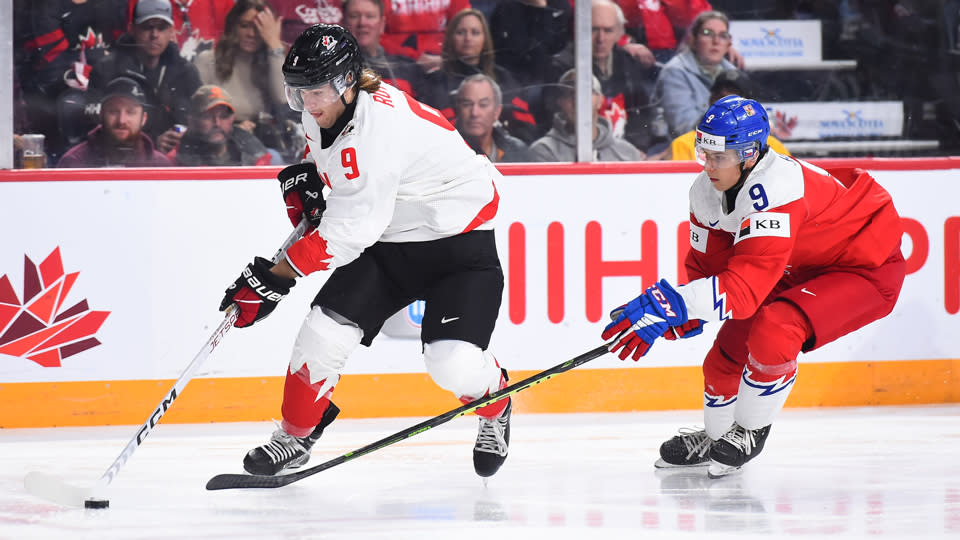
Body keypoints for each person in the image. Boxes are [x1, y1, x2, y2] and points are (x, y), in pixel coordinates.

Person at [219, 24, 513, 479]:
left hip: (459, 246)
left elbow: (349, 233)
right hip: (394, 242)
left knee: (451, 364)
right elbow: (332, 168)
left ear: (347, 81)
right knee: (322, 332)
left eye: (316, 92)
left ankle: (496, 404)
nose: (308, 104)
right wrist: (314, 179)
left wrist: (276, 279)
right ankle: (296, 435)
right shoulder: (330, 109)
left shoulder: (374, 131)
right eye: (300, 93)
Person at [600, 96, 905, 478]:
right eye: (703, 153)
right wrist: (686, 312)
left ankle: (749, 430)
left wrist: (673, 302)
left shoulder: (777, 188)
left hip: (864, 269)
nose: (708, 166)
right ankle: (719, 437)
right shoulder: (703, 191)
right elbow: (709, 271)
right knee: (723, 357)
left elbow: (742, 292)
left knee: (777, 328)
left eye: (719, 157)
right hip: (793, 267)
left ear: (750, 154)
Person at [89, 0, 203, 153]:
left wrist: (181, 139)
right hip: (123, 157)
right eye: (147, 27)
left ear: (171, 31)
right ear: (132, 29)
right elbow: (95, 126)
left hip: (178, 158)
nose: (154, 35)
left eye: (162, 28)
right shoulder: (106, 69)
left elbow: (201, 120)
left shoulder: (186, 71)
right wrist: (152, 142)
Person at [417, 9, 535, 141]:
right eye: (461, 32)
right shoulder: (435, 80)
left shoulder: (503, 77)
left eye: (475, 32)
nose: (468, 38)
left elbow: (525, 127)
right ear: (450, 38)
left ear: (485, 38)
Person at [193, 0, 291, 143]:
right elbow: (196, 115)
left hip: (261, 141)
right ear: (233, 26)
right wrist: (235, 129)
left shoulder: (272, 62)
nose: (251, 34)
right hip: (216, 142)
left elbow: (283, 98)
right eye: (244, 26)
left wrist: (274, 45)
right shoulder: (207, 60)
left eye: (259, 27)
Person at [668, 69, 790, 161]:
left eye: (733, 100)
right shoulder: (684, 144)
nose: (725, 107)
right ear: (710, 100)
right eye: (719, 97)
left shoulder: (771, 145)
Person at [654, 10, 738, 139]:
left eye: (722, 35)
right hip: (682, 149)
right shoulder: (675, 72)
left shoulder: (734, 74)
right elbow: (683, 128)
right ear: (693, 40)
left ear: (728, 44)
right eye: (707, 33)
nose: (716, 41)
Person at [529, 69, 645, 162]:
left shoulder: (627, 152)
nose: (578, 101)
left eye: (586, 93)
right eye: (570, 94)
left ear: (600, 101)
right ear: (560, 102)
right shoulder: (544, 151)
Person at [58, 76, 172, 168]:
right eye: (113, 111)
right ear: (101, 115)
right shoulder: (74, 163)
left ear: (144, 119)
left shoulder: (160, 166)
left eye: (131, 112)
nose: (121, 120)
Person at [167, 85, 275, 166]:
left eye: (223, 116)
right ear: (192, 120)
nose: (217, 123)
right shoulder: (176, 159)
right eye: (207, 117)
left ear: (233, 118)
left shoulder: (255, 154)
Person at [341, 0, 421, 96]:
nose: (362, 23)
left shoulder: (407, 66)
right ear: (343, 23)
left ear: (382, 24)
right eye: (354, 16)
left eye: (370, 16)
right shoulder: (335, 71)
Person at [455, 74, 533, 163]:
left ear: (497, 111)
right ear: (457, 109)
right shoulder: (443, 153)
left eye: (483, 105)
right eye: (467, 104)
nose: (474, 113)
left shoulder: (518, 151)